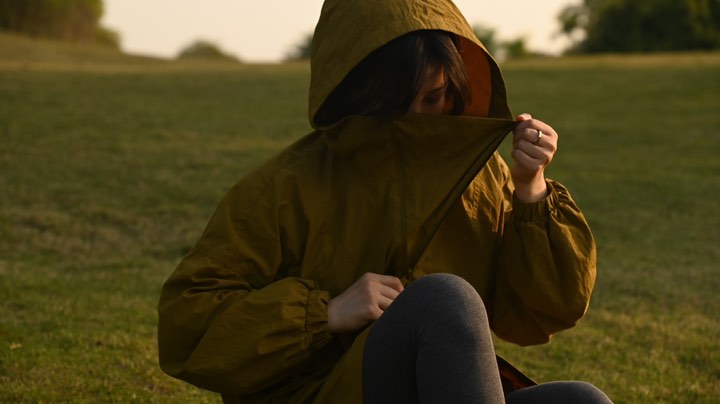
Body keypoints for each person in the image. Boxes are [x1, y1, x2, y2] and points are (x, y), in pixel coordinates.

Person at [158, 0, 613, 403]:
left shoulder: (480, 175)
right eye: (396, 103)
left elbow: (543, 312)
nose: (418, 117)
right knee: (442, 298)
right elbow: (187, 325)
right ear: (356, 93)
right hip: (318, 394)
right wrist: (325, 313)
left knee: (580, 400)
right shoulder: (286, 187)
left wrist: (530, 189)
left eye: (433, 97)